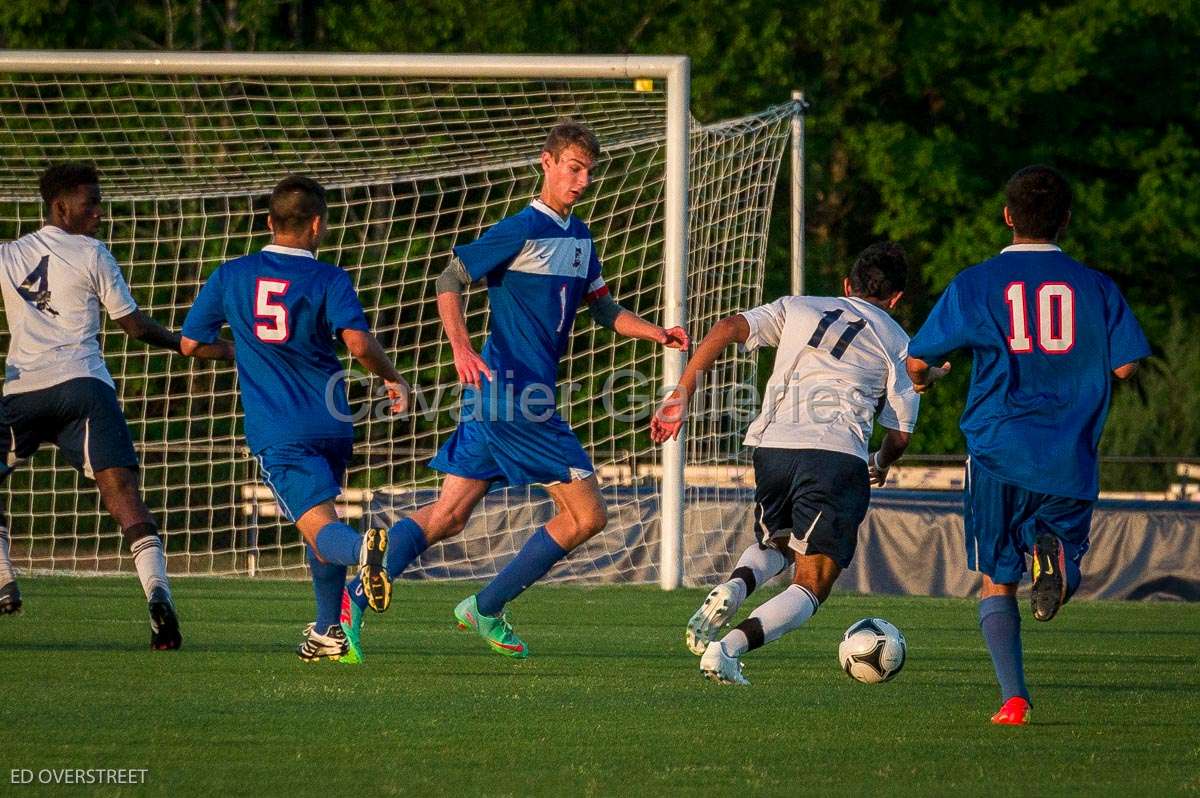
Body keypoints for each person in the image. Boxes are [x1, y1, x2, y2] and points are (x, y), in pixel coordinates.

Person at [337, 119, 689, 663]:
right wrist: (459, 346)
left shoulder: (580, 237)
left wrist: (655, 332)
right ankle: (487, 605)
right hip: (513, 398)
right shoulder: (520, 228)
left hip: (504, 400)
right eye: (573, 169)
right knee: (586, 516)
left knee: (449, 515)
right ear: (546, 163)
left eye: (588, 173)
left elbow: (603, 308)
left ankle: (350, 610)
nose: (581, 181)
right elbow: (448, 280)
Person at [906, 165, 1150, 725]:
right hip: (1070, 452)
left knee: (997, 577)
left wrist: (923, 380)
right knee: (1063, 559)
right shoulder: (1095, 285)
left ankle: (1013, 699)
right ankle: (1056, 553)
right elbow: (1126, 365)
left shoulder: (975, 282)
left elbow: (918, 358)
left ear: (1008, 217)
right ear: (1065, 220)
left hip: (998, 447)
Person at [651, 242, 919, 685]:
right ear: (896, 300)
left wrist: (681, 393)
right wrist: (882, 461)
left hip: (772, 446)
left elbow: (725, 327)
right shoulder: (899, 342)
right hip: (836, 455)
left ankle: (736, 585)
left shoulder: (799, 306)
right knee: (812, 581)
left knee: (777, 541)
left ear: (846, 285)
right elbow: (901, 434)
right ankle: (727, 650)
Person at [0, 163, 234, 649]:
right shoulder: (93, 253)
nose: (99, 212)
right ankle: (157, 594)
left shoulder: (8, 255)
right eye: (91, 202)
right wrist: (192, 346)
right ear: (60, 206)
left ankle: (3, 577)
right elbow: (136, 328)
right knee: (123, 494)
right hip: (84, 387)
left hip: (21, 393)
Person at [181, 175, 409, 662]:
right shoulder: (329, 278)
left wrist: (241, 350)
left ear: (269, 222)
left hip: (279, 430)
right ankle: (329, 631)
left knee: (325, 530)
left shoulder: (232, 274)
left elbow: (191, 344)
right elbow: (358, 343)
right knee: (320, 523)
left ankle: (364, 552)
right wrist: (393, 377)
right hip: (331, 421)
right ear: (317, 225)